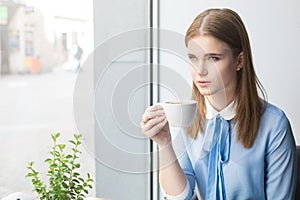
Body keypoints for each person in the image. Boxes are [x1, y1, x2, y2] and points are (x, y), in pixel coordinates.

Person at [140, 8, 297, 200]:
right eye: (193, 58)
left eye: (213, 58)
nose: (200, 71)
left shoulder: (274, 125)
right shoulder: (188, 119)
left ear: (239, 61)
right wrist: (164, 144)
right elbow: (179, 197)